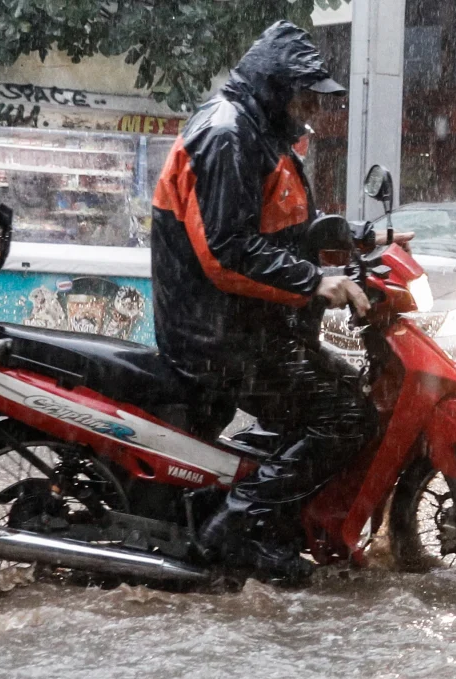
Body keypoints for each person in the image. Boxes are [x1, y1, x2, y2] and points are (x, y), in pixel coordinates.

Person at [151, 20, 413, 580]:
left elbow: (289, 227)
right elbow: (227, 251)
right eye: (303, 94)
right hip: (219, 336)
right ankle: (236, 531)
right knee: (343, 416)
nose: (311, 109)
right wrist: (315, 282)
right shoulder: (227, 135)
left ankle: (279, 524)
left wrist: (367, 238)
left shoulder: (261, 133)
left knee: (342, 395)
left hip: (255, 328)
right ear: (274, 86)